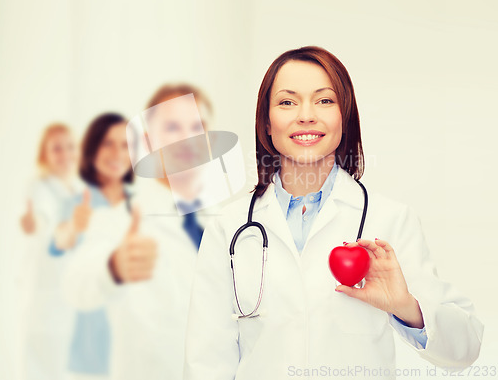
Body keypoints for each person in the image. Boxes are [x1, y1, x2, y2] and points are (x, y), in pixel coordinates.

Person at [183, 46, 484, 380]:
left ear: (345, 116)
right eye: (287, 102)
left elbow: (466, 347)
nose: (306, 115)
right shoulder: (230, 227)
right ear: (267, 123)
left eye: (324, 100)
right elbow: (206, 362)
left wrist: (406, 307)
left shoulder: (389, 219)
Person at [62, 84, 217, 380]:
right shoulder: (121, 217)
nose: (187, 139)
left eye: (197, 127)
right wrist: (113, 267)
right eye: (172, 127)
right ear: (147, 142)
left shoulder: (223, 221)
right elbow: (75, 284)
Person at [49, 113, 134, 380]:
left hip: (136, 343)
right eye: (108, 143)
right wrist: (73, 228)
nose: (117, 153)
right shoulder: (80, 201)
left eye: (125, 145)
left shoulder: (141, 205)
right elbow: (57, 243)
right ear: (92, 148)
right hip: (90, 346)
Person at [17, 123, 80, 380]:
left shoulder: (76, 190)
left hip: (68, 294)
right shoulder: (39, 186)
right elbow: (41, 217)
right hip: (45, 297)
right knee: (42, 366)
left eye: (69, 147)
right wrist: (35, 223)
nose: (65, 154)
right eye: (56, 149)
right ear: (44, 154)